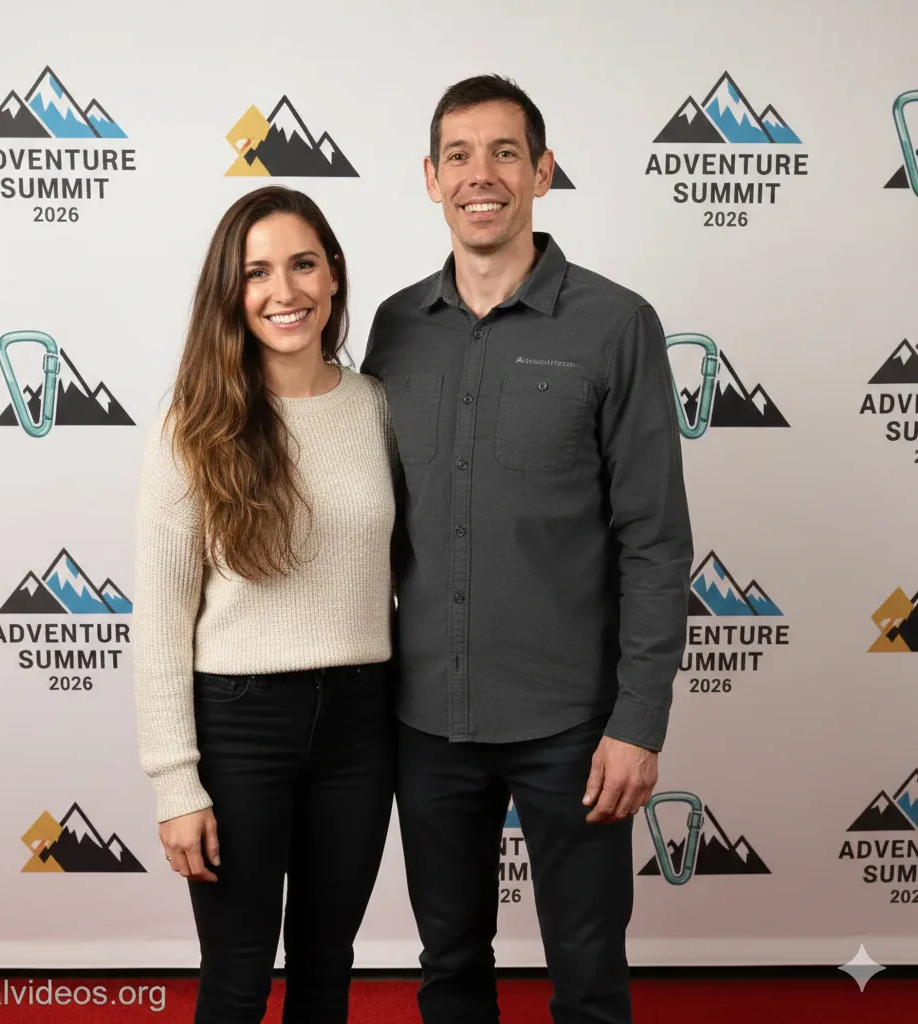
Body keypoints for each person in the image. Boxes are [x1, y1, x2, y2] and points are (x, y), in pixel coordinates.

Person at [361, 75, 694, 1023]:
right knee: (448, 966)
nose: (482, 175)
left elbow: (656, 540)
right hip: (427, 721)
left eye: (505, 153)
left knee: (589, 978)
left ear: (542, 171)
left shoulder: (615, 324)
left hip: (574, 728)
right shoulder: (392, 330)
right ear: (430, 179)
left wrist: (638, 722)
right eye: (459, 156)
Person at [132, 185, 398, 1024]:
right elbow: (163, 618)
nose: (284, 292)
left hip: (362, 720)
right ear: (231, 294)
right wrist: (176, 782)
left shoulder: (377, 407)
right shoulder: (194, 424)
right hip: (239, 724)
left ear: (334, 276)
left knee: (328, 967)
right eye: (257, 273)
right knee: (238, 973)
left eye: (302, 265)